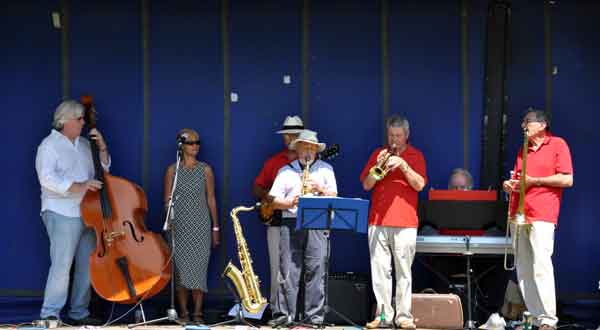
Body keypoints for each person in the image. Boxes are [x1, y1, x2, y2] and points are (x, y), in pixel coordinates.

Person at [35, 100, 110, 325]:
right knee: (62, 264)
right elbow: (47, 178)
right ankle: (50, 313)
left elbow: (104, 170)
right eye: (79, 119)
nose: (83, 122)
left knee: (87, 266)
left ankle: (79, 312)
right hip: (61, 211)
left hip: (88, 213)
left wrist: (103, 148)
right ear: (65, 121)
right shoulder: (48, 145)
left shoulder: (86, 145)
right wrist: (79, 186)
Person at [502, 108, 573, 330]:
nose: (523, 125)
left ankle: (548, 320)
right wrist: (510, 186)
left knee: (541, 266)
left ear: (542, 125)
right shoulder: (523, 151)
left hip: (542, 214)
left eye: (528, 122)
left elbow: (567, 179)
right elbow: (520, 180)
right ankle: (534, 316)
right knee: (523, 269)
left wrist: (536, 181)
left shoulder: (558, 144)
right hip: (520, 214)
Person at [360, 114, 427, 329]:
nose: (394, 140)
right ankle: (383, 316)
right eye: (391, 135)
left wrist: (404, 166)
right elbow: (367, 185)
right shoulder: (377, 154)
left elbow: (419, 185)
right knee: (380, 271)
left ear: (407, 135)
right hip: (378, 220)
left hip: (405, 222)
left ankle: (403, 316)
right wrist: (376, 169)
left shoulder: (416, 156)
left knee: (403, 271)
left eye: (398, 136)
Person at [268, 130, 337, 327]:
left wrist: (320, 189)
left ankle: (314, 318)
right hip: (291, 222)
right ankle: (284, 316)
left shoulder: (326, 169)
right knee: (288, 271)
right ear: (297, 150)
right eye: (304, 147)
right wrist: (290, 202)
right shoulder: (286, 171)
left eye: (311, 148)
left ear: (316, 150)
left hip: (317, 223)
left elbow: (334, 196)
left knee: (317, 270)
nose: (307, 151)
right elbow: (273, 202)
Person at [163, 128, 220, 324]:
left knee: (198, 270)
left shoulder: (205, 170)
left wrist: (215, 228)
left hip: (200, 225)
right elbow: (167, 199)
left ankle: (198, 313)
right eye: (191, 143)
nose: (195, 146)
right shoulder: (173, 170)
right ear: (181, 146)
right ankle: (184, 313)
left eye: (197, 143)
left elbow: (211, 199)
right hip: (179, 225)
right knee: (180, 272)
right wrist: (169, 219)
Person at [252, 115, 304, 307]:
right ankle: (277, 309)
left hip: (301, 220)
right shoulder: (274, 162)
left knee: (302, 267)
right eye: (287, 135)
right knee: (277, 266)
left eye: (294, 135)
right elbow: (256, 187)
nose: (289, 139)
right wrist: (270, 197)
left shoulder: (311, 161)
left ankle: (299, 310)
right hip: (276, 219)